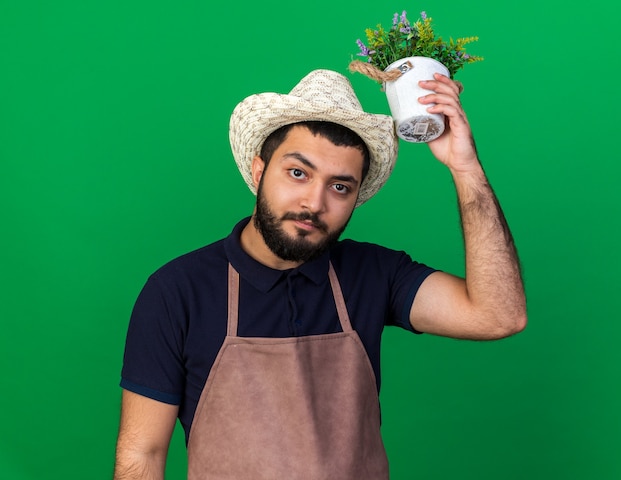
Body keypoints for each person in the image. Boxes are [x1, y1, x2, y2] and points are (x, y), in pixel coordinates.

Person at [113, 69, 526, 479]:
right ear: (259, 172)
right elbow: (142, 455)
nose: (314, 202)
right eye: (298, 173)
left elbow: (499, 315)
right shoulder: (177, 291)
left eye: (340, 186)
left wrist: (464, 166)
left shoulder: (374, 273)